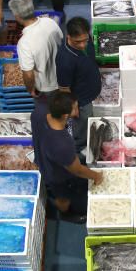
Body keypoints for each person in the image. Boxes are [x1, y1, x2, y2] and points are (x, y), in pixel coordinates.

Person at [31, 91, 103, 223]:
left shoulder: (38, 112)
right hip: (56, 174)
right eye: (75, 108)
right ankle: (65, 214)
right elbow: (77, 169)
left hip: (42, 156)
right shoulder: (62, 143)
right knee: (62, 197)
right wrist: (96, 176)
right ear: (65, 115)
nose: (77, 111)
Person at [56, 17, 102, 155]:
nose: (82, 45)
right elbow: (64, 88)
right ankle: (79, 149)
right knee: (82, 126)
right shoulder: (65, 59)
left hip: (90, 90)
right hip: (82, 100)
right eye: (78, 42)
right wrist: (73, 107)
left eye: (85, 40)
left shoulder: (87, 41)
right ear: (68, 36)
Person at [8, 0, 63, 102]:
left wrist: (30, 89)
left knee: (52, 108)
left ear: (17, 16)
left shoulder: (24, 43)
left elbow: (28, 74)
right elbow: (61, 41)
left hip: (47, 86)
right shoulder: (49, 21)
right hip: (63, 75)